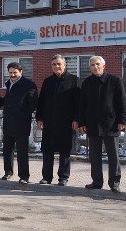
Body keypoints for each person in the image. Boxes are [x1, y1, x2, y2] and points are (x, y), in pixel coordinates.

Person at [79, 56, 126, 193]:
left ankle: (115, 183)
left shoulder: (115, 80)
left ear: (103, 66)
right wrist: (82, 122)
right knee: (94, 156)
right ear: (90, 68)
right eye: (92, 65)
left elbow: (122, 102)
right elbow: (82, 104)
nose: (95, 67)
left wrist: (123, 120)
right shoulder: (87, 83)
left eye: (98, 64)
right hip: (92, 125)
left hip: (110, 124)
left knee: (113, 156)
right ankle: (96, 182)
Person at [35, 55, 80, 186]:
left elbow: (78, 102)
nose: (56, 66)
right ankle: (47, 177)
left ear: (64, 65)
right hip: (49, 122)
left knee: (64, 151)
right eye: (53, 64)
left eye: (58, 64)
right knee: (47, 150)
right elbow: (41, 101)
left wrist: (76, 119)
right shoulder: (47, 81)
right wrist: (39, 118)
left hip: (66, 123)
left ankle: (63, 177)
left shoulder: (74, 80)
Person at [1, 62, 38, 184]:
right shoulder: (9, 84)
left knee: (22, 152)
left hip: (21, 124)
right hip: (8, 123)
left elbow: (32, 104)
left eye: (15, 72)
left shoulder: (29, 85)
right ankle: (8, 172)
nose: (12, 75)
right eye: (10, 72)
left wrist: (22, 115)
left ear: (21, 72)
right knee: (7, 150)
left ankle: (24, 176)